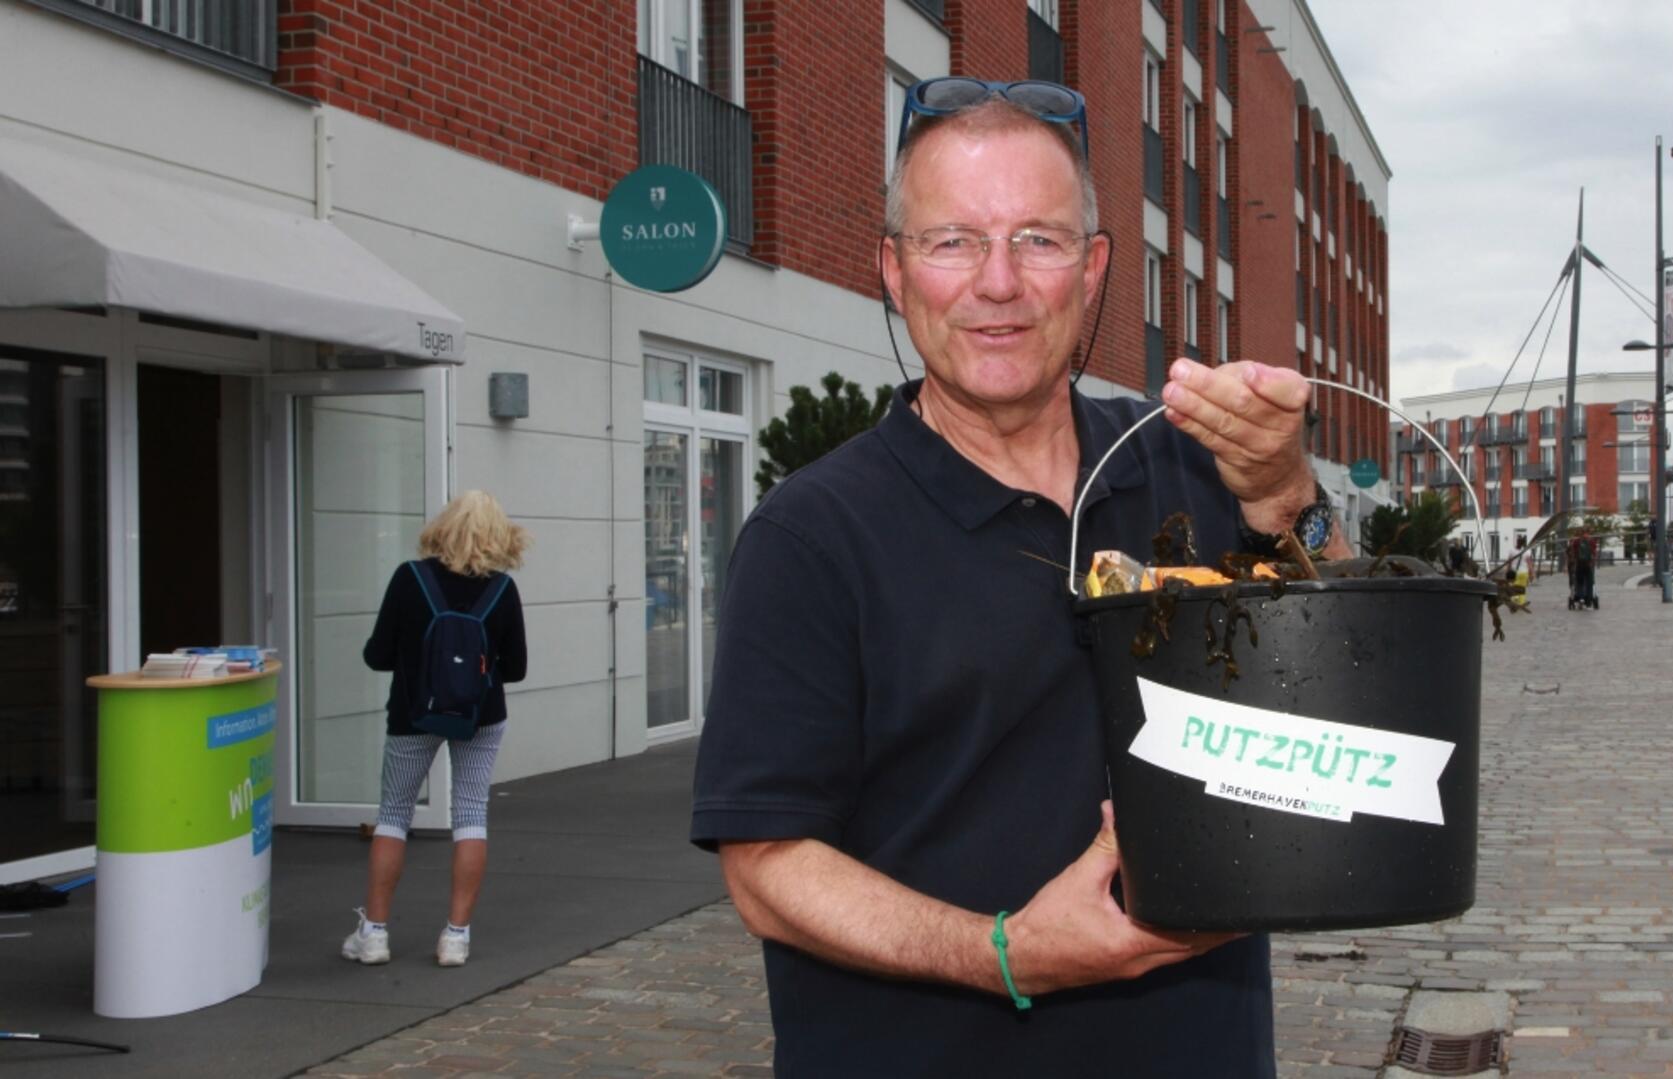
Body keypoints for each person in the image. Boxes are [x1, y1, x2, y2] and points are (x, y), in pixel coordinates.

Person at [691, 78, 1349, 1076]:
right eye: (951, 240)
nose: (997, 282)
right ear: (894, 271)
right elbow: (768, 866)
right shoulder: (812, 535)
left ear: (1090, 271)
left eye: (1037, 239)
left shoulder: (1185, 461)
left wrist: (1284, 490)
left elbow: (1357, 676)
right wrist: (1005, 951)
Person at [343, 490, 529, 968]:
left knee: (394, 814)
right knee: (470, 814)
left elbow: (377, 655)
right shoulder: (502, 591)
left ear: (443, 527)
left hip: (412, 713)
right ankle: (456, 937)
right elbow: (517, 670)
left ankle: (376, 934)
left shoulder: (410, 579)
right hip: (481, 715)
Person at [1568, 525, 1598, 608]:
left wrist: (1573, 561)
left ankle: (1580, 598)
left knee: (1579, 581)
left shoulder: (1576, 542)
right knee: (1589, 582)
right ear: (1588, 533)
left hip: (1579, 564)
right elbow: (1594, 553)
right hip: (1588, 565)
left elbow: (1573, 552)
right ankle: (1589, 599)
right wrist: (1593, 561)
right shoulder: (1592, 542)